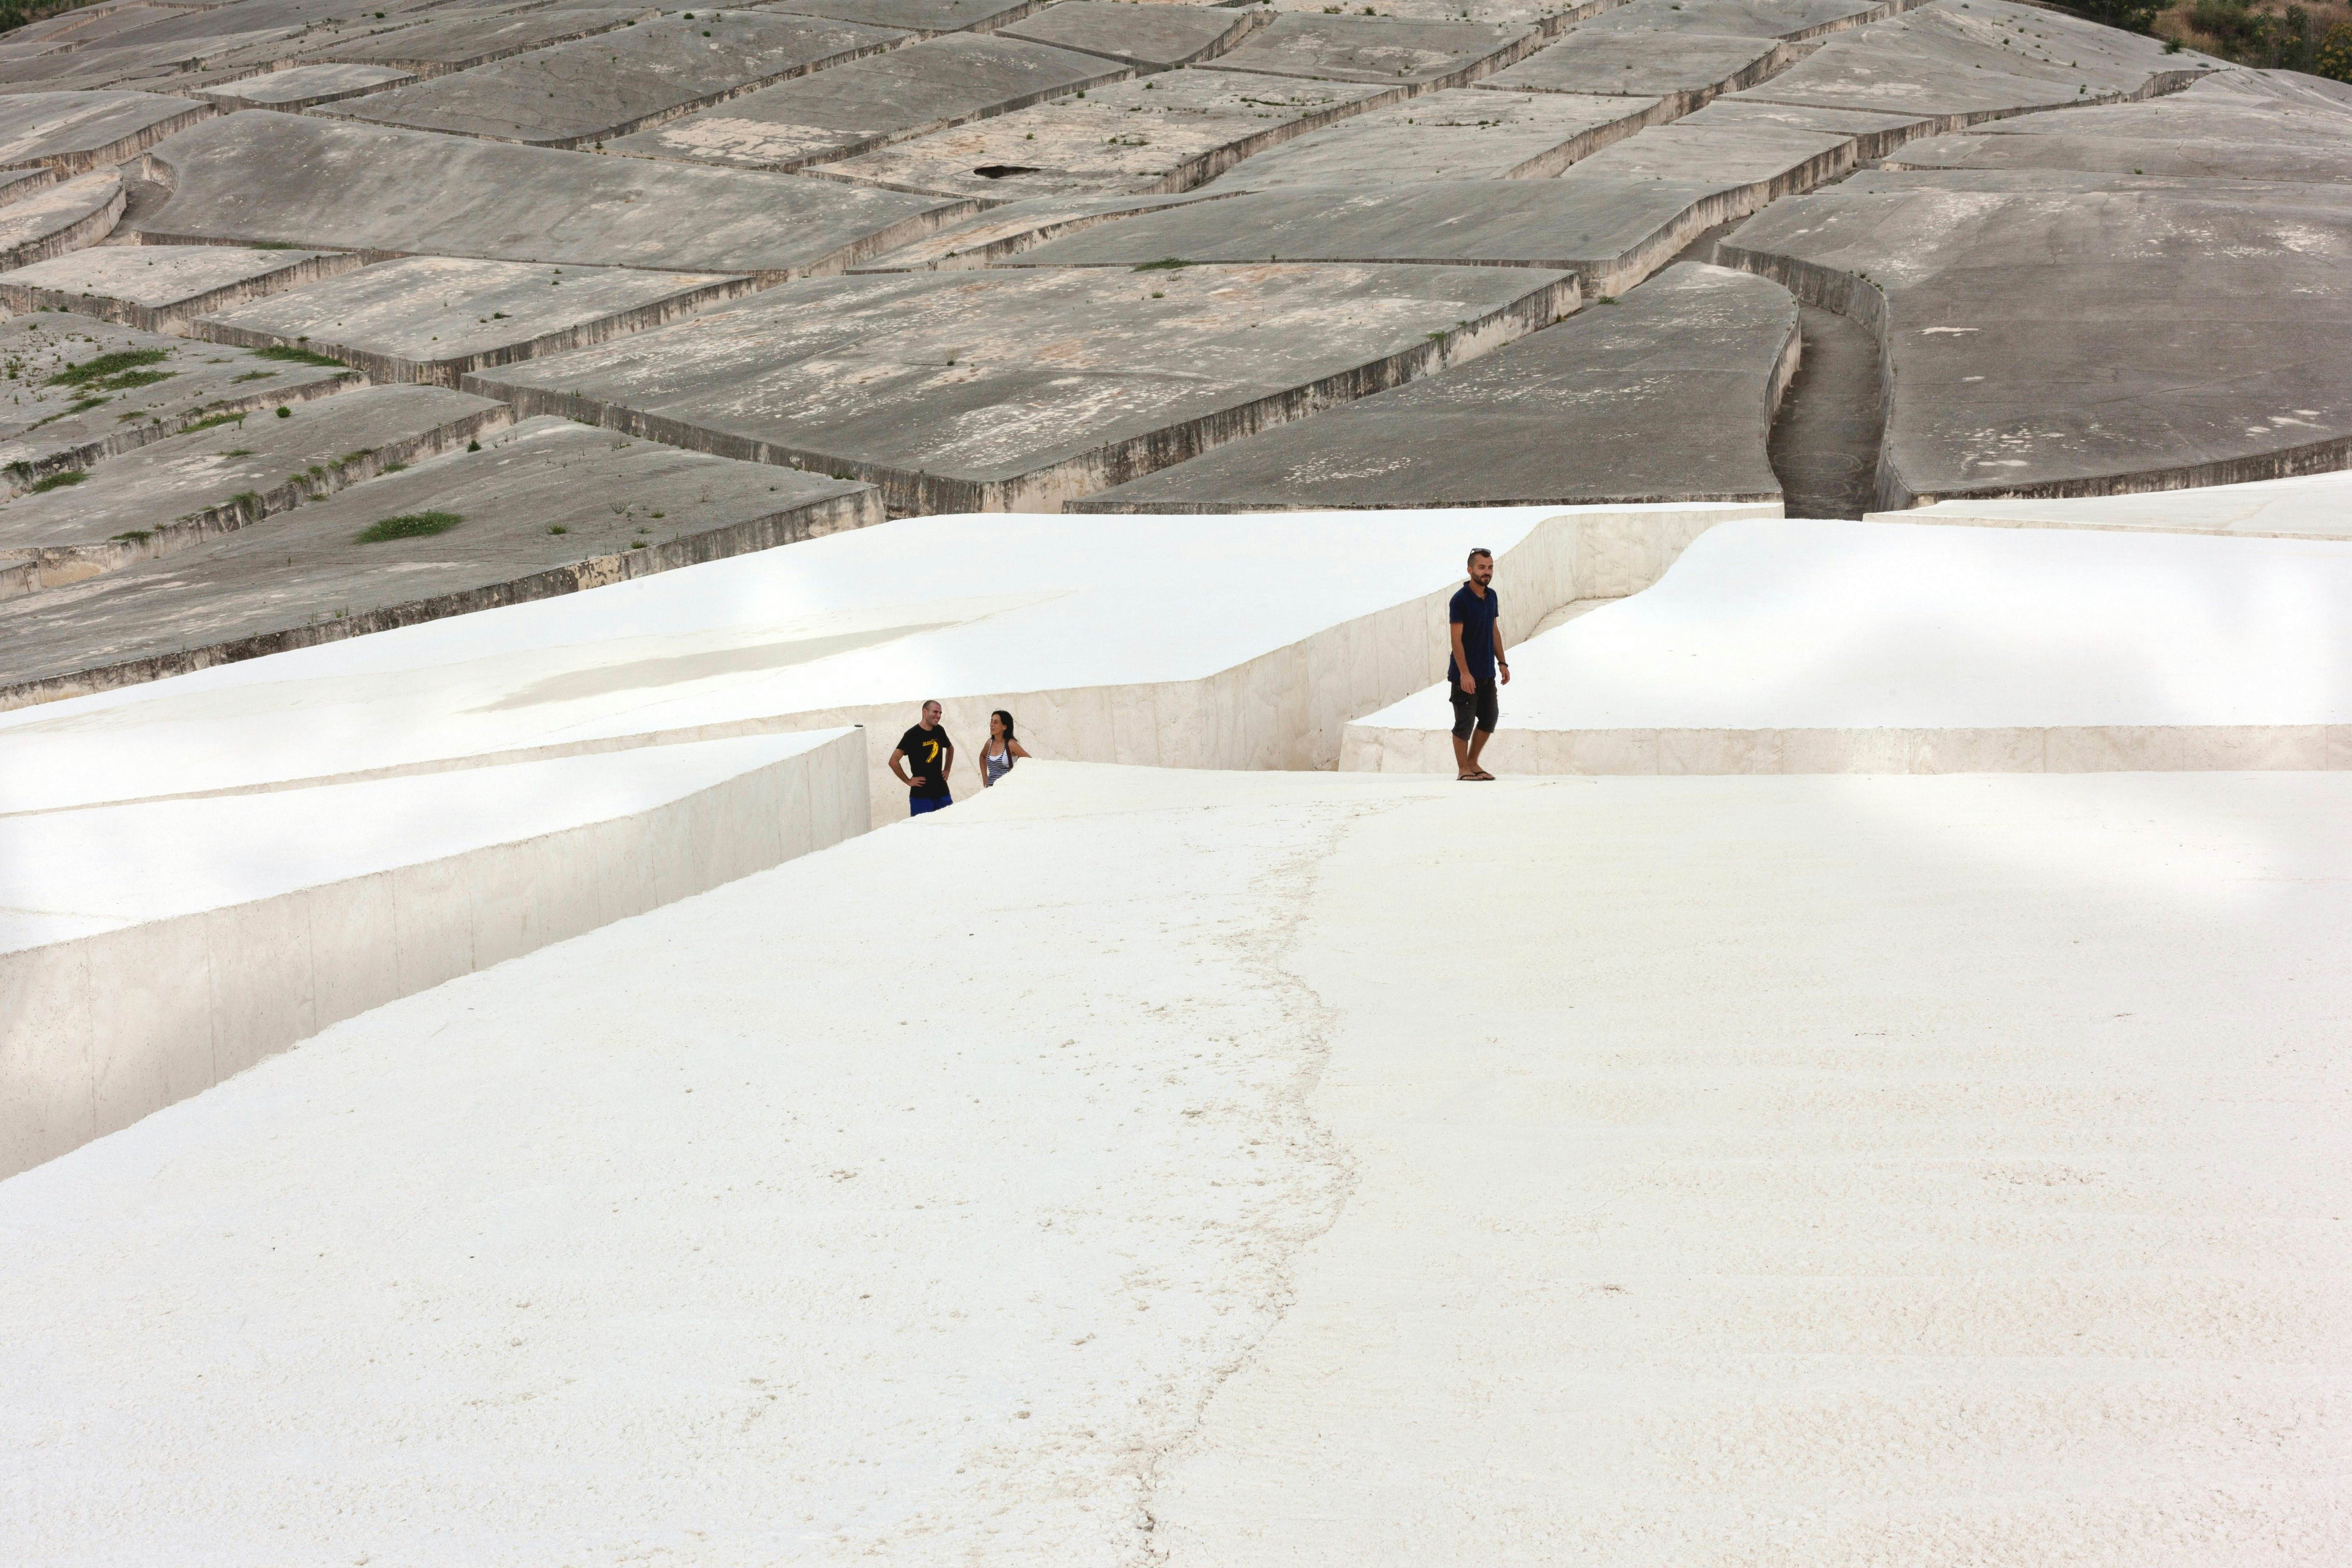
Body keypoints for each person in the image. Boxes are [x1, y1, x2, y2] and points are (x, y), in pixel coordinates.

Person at [1447, 547, 1509, 781]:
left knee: (1490, 717)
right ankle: (1463, 768)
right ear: (1470, 570)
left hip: (1487, 673)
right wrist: (1464, 673)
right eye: (1482, 567)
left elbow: (1494, 631)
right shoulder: (1460, 600)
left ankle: (1473, 762)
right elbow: (1456, 640)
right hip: (1465, 675)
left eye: (1490, 567)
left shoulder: (1491, 596)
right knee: (1465, 721)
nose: (1487, 572)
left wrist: (1502, 662)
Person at [890, 699, 956, 816]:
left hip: (942, 792)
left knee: (949, 826)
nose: (938, 716)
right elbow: (893, 762)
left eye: (940, 713)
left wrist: (947, 770)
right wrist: (908, 781)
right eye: (935, 712)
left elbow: (950, 749)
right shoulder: (911, 735)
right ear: (925, 712)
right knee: (922, 831)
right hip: (921, 796)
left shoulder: (939, 730)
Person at [980, 709, 1029, 788]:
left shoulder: (1011, 744)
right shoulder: (990, 743)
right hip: (990, 789)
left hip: (1007, 790)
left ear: (1004, 727)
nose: (992, 725)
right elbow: (982, 757)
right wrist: (985, 777)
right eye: (991, 721)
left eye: (996, 722)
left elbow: (1029, 761)